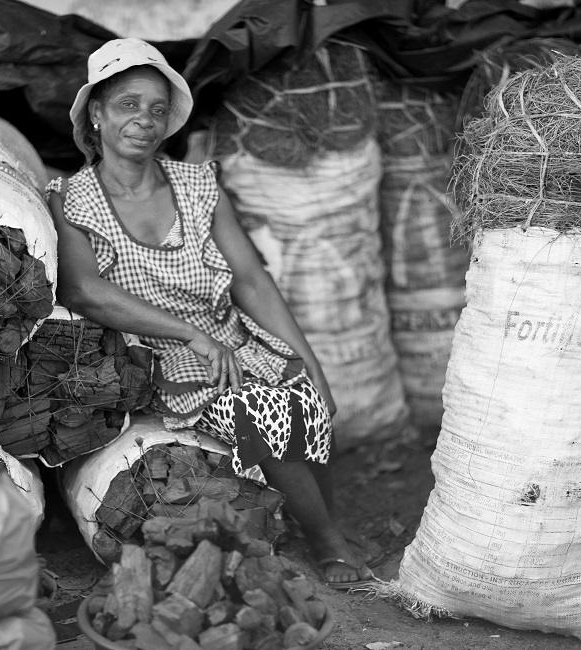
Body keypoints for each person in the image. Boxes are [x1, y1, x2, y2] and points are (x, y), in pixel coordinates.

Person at [47, 38, 375, 588]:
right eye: (128, 105)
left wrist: (305, 357)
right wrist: (191, 337)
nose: (143, 121)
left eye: (156, 109)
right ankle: (326, 541)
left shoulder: (199, 184)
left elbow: (250, 279)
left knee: (304, 391)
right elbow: (86, 292)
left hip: (227, 336)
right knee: (258, 410)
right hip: (155, 354)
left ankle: (317, 517)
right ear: (97, 115)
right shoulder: (71, 199)